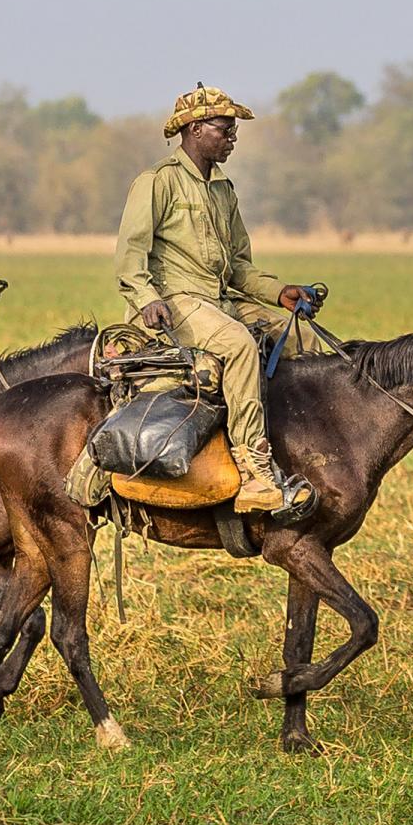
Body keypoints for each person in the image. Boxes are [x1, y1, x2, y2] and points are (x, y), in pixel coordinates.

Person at [114, 85, 316, 517]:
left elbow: (240, 266)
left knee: (303, 338)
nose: (233, 138)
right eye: (225, 129)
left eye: (234, 130)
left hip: (220, 300)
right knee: (240, 345)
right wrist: (147, 298)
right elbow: (130, 257)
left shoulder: (224, 190)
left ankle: (301, 448)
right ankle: (254, 472)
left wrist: (279, 293)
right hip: (175, 303)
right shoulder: (157, 182)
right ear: (195, 128)